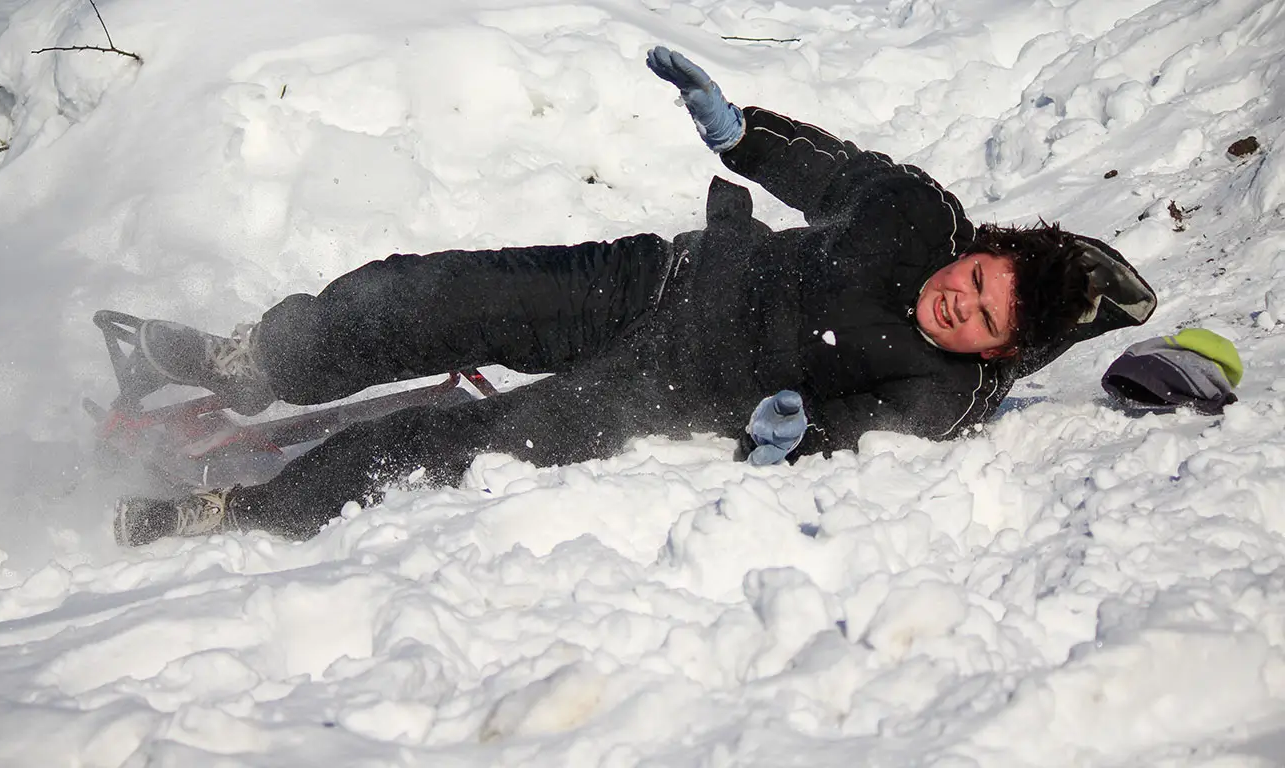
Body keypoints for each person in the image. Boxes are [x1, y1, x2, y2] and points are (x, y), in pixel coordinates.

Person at [113, 46, 1157, 546]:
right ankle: (251, 365)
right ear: (980, 250)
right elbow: (831, 170)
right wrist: (741, 133)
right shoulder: (919, 213)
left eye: (979, 322)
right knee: (422, 296)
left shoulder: (945, 393)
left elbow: (856, 430)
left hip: (660, 385)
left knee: (458, 440)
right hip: (650, 278)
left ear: (994, 353)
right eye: (973, 282)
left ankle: (242, 509)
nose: (955, 303)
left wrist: (799, 435)